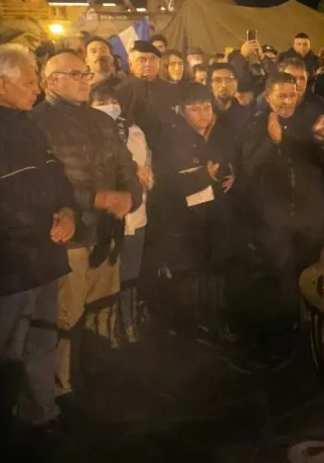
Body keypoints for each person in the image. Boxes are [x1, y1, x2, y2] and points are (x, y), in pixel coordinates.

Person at [0, 45, 77, 437]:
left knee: (42, 340)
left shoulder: (31, 126)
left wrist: (67, 212)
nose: (37, 90)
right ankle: (0, 425)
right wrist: (40, 226)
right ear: (1, 85)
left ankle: (41, 414)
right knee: (3, 351)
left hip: (44, 259)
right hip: (5, 268)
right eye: (30, 82)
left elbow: (58, 178)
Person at [29, 51, 142, 407]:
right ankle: (62, 389)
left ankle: (97, 375)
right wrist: (97, 198)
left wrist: (130, 197)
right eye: (74, 74)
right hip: (70, 240)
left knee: (101, 309)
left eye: (85, 74)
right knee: (66, 318)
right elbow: (44, 185)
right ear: (50, 82)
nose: (84, 79)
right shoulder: (36, 123)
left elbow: (128, 167)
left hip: (106, 235)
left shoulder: (102, 121)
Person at [241, 72, 324, 319]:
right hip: (274, 220)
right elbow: (251, 168)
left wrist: (323, 143)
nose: (288, 101)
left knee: (309, 274)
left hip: (309, 218)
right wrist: (273, 142)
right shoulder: (255, 125)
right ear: (268, 96)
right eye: (282, 96)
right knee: (279, 277)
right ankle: (283, 328)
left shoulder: (308, 124)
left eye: (293, 95)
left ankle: (309, 323)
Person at [150, 82, 237, 336]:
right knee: (190, 278)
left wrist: (234, 176)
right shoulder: (170, 138)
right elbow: (164, 182)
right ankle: (191, 331)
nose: (203, 114)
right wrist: (202, 176)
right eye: (195, 109)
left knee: (215, 273)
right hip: (184, 223)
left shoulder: (219, 132)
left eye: (207, 107)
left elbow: (231, 161)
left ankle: (216, 323)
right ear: (181, 110)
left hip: (215, 217)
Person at [88, 82, 153, 344]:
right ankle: (104, 333)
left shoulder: (135, 132)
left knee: (130, 274)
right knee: (105, 280)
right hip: (104, 220)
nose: (109, 106)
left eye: (113, 101)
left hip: (136, 217)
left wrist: (146, 177)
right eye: (102, 101)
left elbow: (148, 168)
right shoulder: (87, 136)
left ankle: (128, 323)